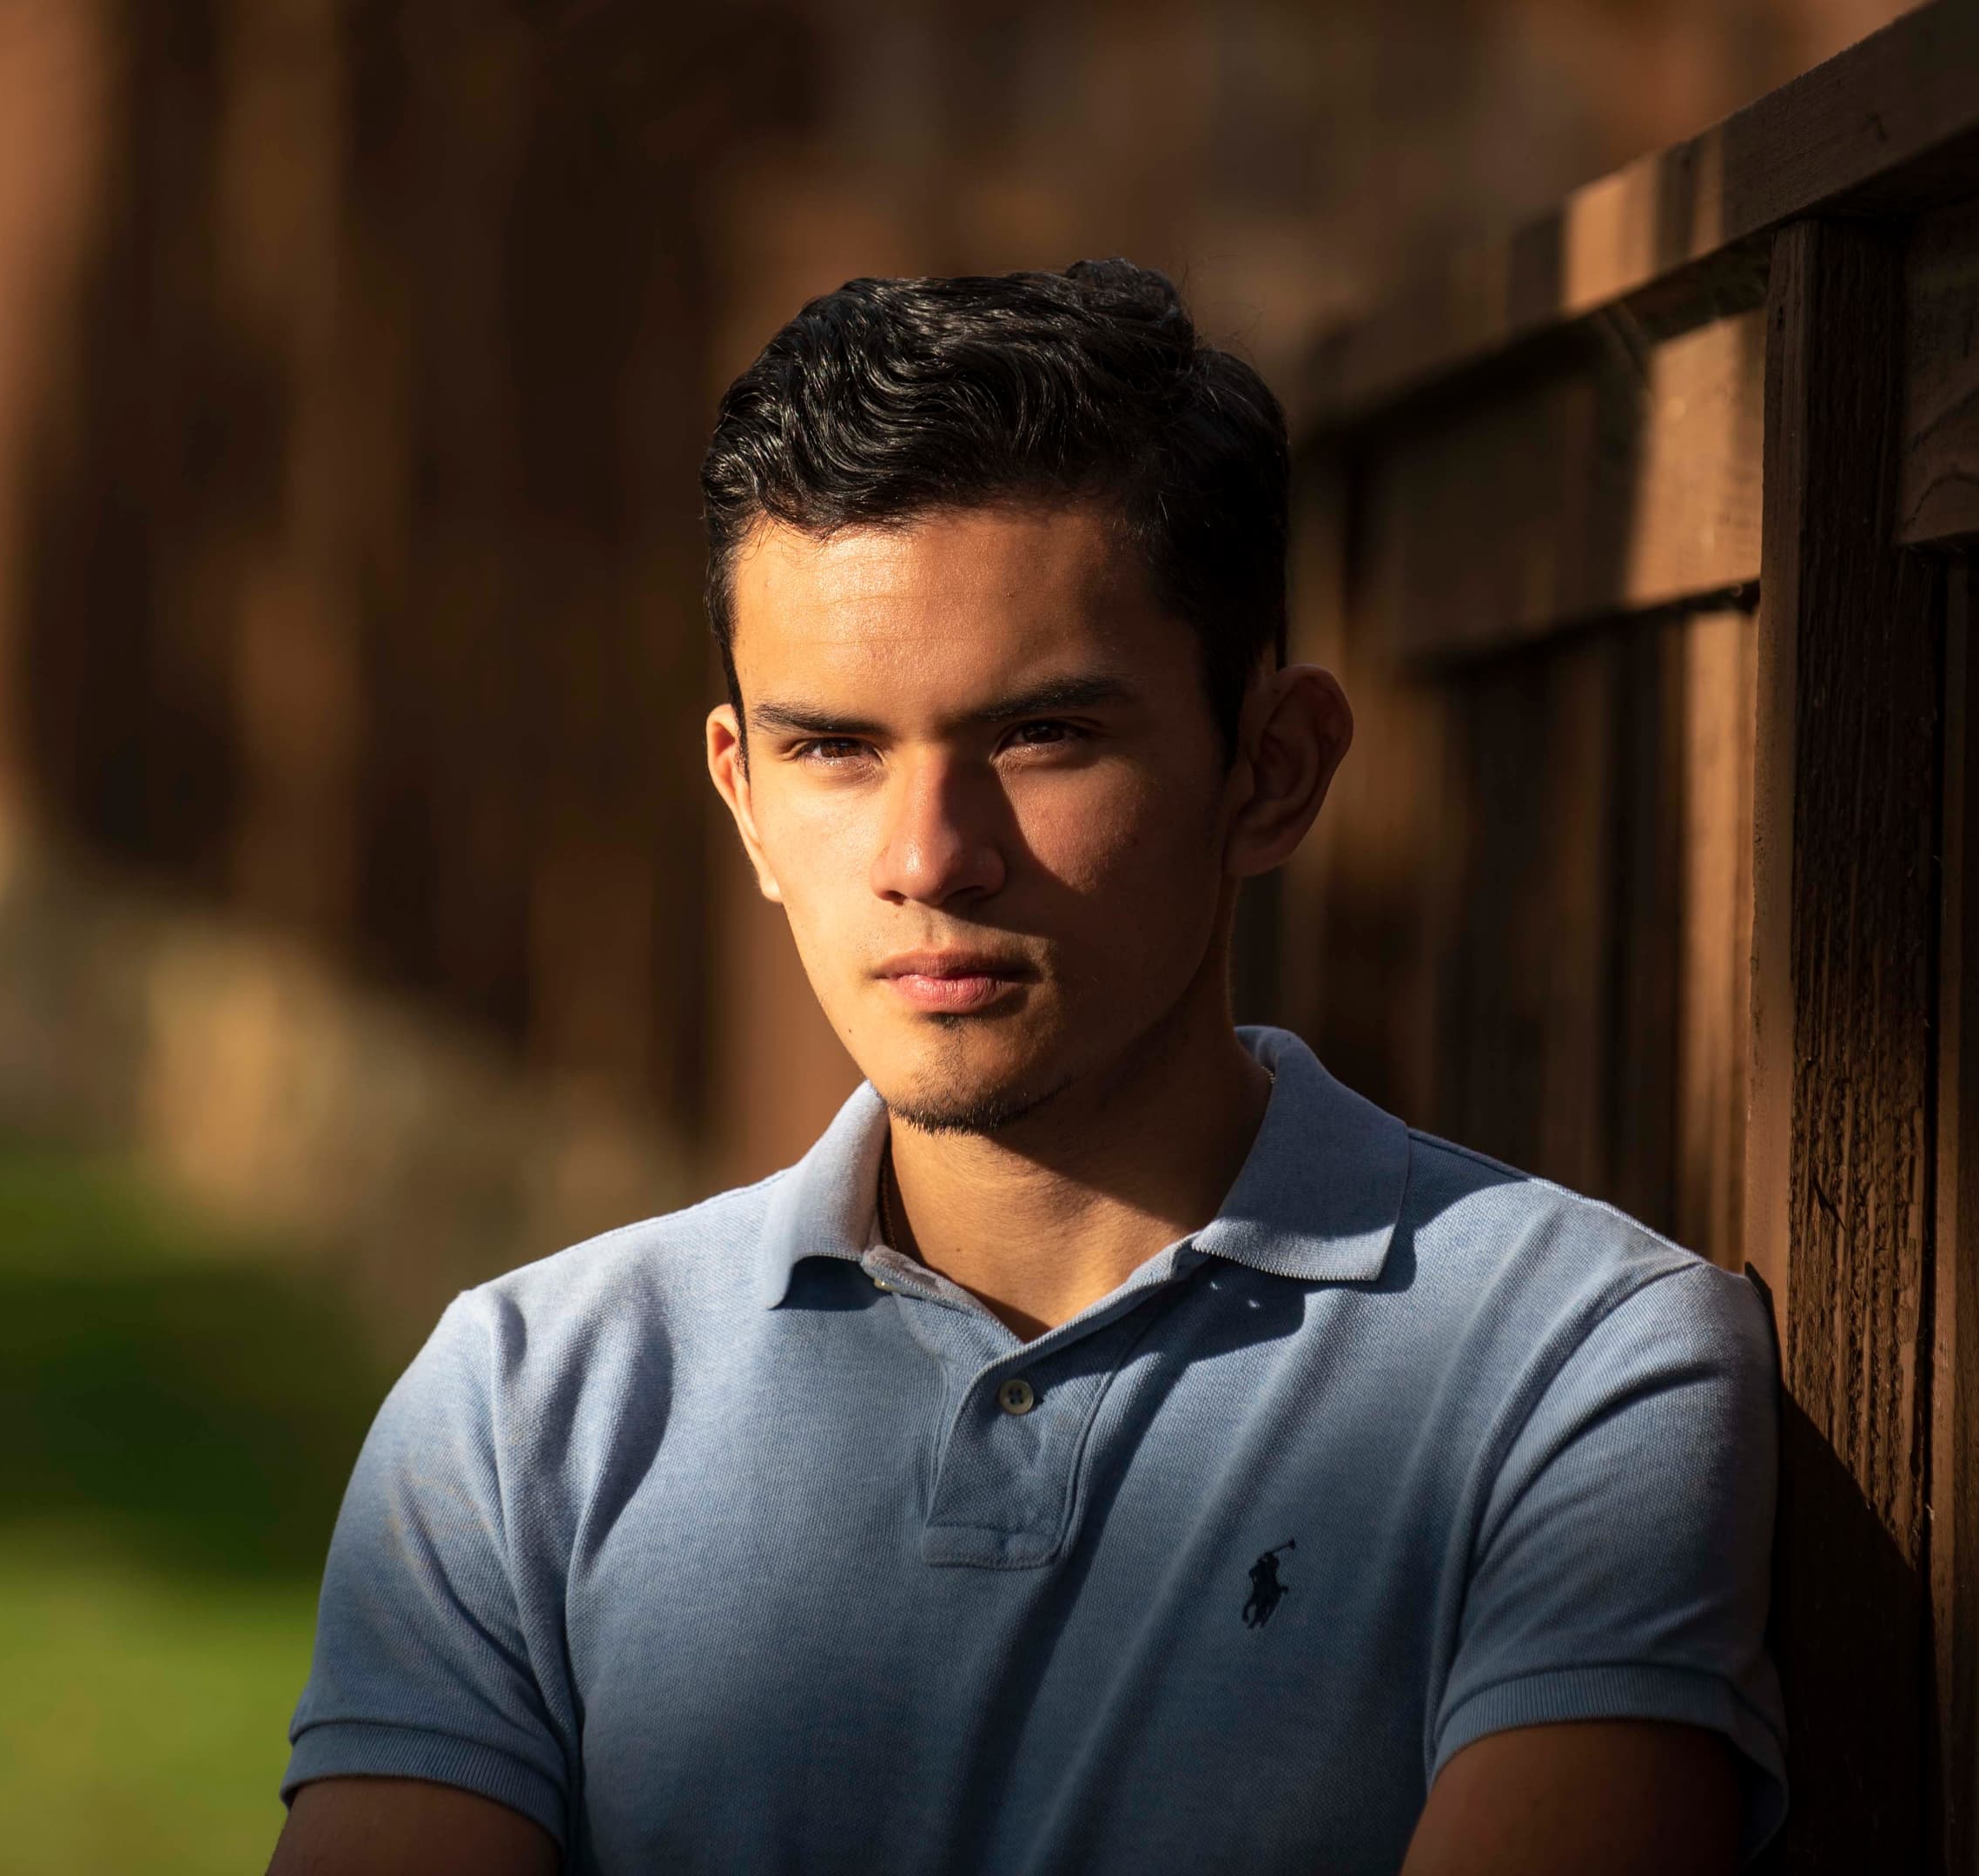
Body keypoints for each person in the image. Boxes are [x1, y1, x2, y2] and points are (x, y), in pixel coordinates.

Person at [265, 260, 1782, 1876]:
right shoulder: (520, 1407)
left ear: (1272, 772)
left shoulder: (1578, 1371)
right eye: (832, 750)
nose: (929, 855)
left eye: (1044, 736)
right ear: (744, 799)